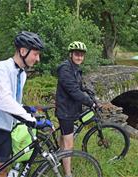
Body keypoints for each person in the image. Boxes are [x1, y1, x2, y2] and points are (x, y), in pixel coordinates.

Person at [0, 31, 51, 177]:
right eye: (36, 54)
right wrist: (31, 120)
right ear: (23, 51)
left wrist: (26, 108)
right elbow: (4, 101)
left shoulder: (22, 74)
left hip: (6, 128)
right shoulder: (1, 68)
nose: (38, 59)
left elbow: (13, 101)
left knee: (3, 171)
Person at [55, 41, 96, 177]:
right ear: (71, 54)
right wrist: (90, 103)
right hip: (66, 110)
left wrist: (86, 90)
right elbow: (73, 90)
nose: (79, 57)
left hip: (70, 109)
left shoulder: (75, 68)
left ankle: (60, 158)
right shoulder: (65, 68)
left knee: (64, 138)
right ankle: (67, 174)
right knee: (69, 144)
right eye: (77, 54)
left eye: (81, 55)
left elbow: (77, 86)